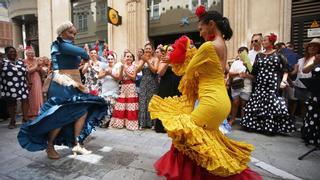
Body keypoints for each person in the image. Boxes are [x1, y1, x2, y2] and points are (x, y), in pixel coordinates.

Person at [148, 6, 261, 179]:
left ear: (211, 24)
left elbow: (190, 70)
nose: (200, 33)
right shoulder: (222, 45)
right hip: (221, 101)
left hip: (211, 102)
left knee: (185, 136)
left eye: (201, 28)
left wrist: (172, 60)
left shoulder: (209, 46)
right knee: (202, 145)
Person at [17, 21, 108, 159]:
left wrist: (85, 56)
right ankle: (49, 146)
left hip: (73, 82)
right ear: (62, 33)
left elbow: (83, 57)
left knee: (81, 111)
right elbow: (83, 54)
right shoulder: (58, 44)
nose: (73, 35)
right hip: (61, 84)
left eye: (75, 33)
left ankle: (77, 143)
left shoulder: (68, 46)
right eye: (70, 32)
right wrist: (85, 53)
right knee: (59, 116)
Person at [241, 33, 295, 135]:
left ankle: (269, 128)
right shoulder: (259, 55)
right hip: (260, 83)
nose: (263, 42)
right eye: (263, 40)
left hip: (272, 83)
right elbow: (254, 71)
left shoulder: (278, 54)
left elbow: (286, 69)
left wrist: (284, 80)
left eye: (265, 40)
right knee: (258, 103)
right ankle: (255, 126)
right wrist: (247, 65)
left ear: (271, 42)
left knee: (271, 104)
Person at [154, 45, 181, 133]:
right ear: (166, 51)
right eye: (169, 50)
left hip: (177, 86)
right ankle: (162, 127)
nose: (171, 51)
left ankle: (174, 126)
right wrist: (168, 61)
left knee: (176, 106)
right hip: (165, 85)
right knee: (164, 106)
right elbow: (160, 73)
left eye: (173, 50)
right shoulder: (163, 60)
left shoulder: (178, 60)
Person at [0, 46, 29, 128]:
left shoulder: (20, 61)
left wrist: (29, 82)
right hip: (9, 85)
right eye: (11, 52)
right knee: (11, 103)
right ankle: (12, 121)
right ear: (6, 53)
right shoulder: (3, 62)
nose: (13, 53)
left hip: (22, 84)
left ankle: (25, 118)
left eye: (14, 51)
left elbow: (26, 72)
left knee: (25, 100)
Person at [109, 51, 139, 130]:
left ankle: (131, 124)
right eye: (127, 56)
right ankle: (120, 123)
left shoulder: (134, 66)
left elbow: (133, 78)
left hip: (131, 86)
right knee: (122, 105)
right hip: (123, 87)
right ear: (124, 58)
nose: (129, 58)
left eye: (130, 57)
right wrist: (122, 69)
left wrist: (126, 71)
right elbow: (119, 79)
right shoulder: (122, 66)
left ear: (132, 59)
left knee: (130, 106)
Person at [300, 38, 320, 146]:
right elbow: (305, 70)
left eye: (315, 46)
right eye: (311, 46)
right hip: (315, 91)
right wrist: (315, 63)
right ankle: (311, 137)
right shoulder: (313, 59)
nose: (312, 48)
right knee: (312, 113)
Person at [137, 42, 160, 129]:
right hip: (143, 82)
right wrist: (143, 61)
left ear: (152, 50)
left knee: (151, 102)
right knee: (143, 101)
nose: (147, 50)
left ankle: (152, 123)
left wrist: (147, 61)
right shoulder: (142, 60)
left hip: (152, 82)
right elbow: (137, 70)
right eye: (146, 49)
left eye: (149, 49)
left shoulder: (155, 59)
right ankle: (142, 123)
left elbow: (155, 70)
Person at [228, 47, 252, 126]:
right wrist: (239, 74)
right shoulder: (235, 63)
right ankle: (232, 119)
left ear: (247, 53)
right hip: (236, 85)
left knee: (244, 104)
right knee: (235, 103)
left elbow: (254, 76)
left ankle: (244, 121)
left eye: (244, 52)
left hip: (247, 86)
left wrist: (246, 75)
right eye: (240, 52)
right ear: (238, 53)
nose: (241, 54)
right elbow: (230, 74)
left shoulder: (250, 62)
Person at [98, 53, 123, 127]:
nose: (110, 60)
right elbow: (99, 76)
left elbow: (118, 78)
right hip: (105, 88)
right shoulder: (104, 67)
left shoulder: (117, 67)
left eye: (111, 59)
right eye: (108, 59)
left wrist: (111, 74)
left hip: (114, 88)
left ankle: (112, 121)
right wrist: (106, 73)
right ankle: (105, 121)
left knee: (112, 104)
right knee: (105, 103)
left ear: (114, 60)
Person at [24, 47, 43, 119]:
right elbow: (28, 71)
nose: (31, 55)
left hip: (37, 78)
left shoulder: (36, 60)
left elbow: (39, 70)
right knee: (31, 94)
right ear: (26, 54)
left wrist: (38, 68)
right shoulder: (24, 61)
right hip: (29, 79)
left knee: (38, 93)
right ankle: (31, 111)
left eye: (32, 53)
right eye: (29, 53)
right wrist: (36, 66)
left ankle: (39, 110)